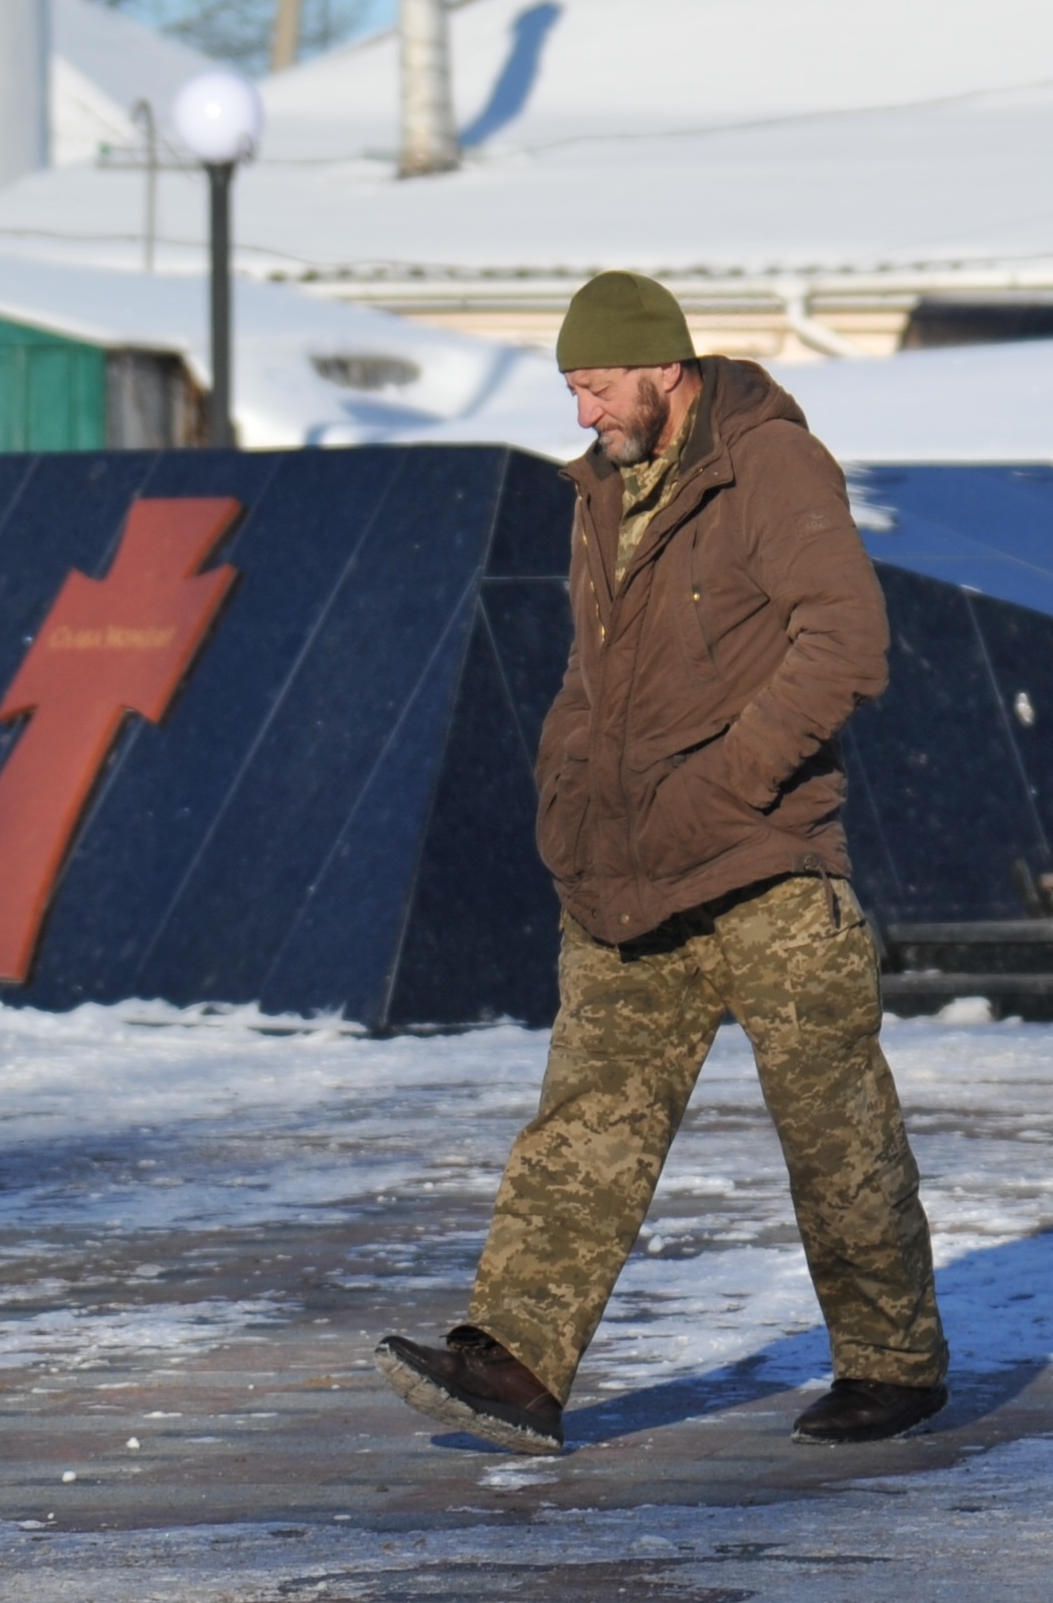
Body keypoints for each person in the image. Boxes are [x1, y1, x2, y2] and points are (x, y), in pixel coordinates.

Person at [372, 271, 948, 1454]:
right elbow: (594, 677)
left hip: (767, 865)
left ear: (662, 368)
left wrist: (726, 784)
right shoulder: (600, 492)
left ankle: (892, 1366)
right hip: (623, 871)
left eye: (593, 386)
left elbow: (846, 641)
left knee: (833, 1127)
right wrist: (565, 794)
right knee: (584, 1117)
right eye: (571, 390)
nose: (581, 412)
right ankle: (517, 1364)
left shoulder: (771, 466)